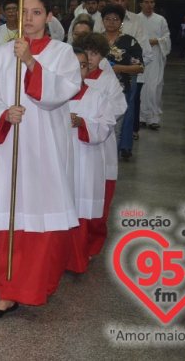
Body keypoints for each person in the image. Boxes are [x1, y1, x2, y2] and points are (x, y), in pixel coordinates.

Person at [0, 0, 81, 317]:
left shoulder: (63, 53)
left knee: (44, 214)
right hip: (13, 145)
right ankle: (7, 292)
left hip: (47, 146)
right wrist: (4, 114)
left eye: (37, 12)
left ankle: (40, 285)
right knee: (14, 215)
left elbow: (64, 90)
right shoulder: (2, 53)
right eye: (24, 11)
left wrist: (32, 63)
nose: (29, 18)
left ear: (49, 16)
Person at [65, 47, 117, 274]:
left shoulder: (97, 97)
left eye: (83, 66)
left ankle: (76, 259)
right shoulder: (51, 96)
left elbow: (106, 125)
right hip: (60, 163)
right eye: (74, 66)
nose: (79, 70)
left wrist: (82, 123)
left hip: (86, 160)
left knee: (81, 210)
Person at [77, 32, 126, 256]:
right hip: (75, 147)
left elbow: (118, 108)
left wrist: (90, 116)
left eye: (94, 53)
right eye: (86, 52)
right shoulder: (71, 76)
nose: (90, 57)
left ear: (102, 56)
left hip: (100, 145)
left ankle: (94, 241)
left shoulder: (107, 78)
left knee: (98, 200)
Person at [100, 4, 144, 161]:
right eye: (107, 19)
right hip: (97, 90)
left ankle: (112, 162)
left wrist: (120, 68)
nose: (111, 22)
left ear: (121, 22)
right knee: (97, 125)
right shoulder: (96, 40)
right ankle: (99, 160)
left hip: (121, 89)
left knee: (116, 129)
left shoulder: (129, 42)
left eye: (115, 19)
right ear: (102, 21)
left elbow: (140, 67)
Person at [137, 0, 171, 130]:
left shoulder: (160, 19)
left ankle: (154, 118)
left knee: (154, 86)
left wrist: (156, 41)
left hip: (156, 54)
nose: (149, 5)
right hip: (140, 56)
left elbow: (166, 37)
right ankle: (140, 117)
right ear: (141, 4)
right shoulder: (136, 19)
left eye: (152, 2)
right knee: (141, 87)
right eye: (146, 2)